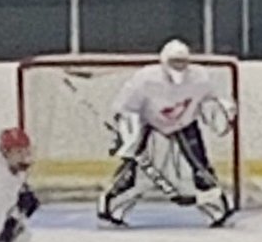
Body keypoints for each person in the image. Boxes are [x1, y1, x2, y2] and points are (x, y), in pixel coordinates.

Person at [98, 38, 235, 227]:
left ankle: (216, 211)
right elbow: (126, 108)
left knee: (200, 170)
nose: (179, 67)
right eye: (174, 62)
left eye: (182, 62)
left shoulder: (200, 78)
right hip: (150, 125)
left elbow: (213, 102)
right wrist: (128, 136)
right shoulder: (145, 78)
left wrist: (221, 115)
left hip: (186, 126)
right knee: (133, 173)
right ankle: (111, 208)